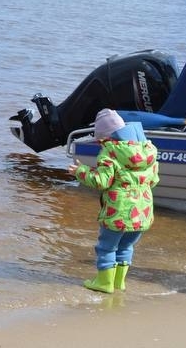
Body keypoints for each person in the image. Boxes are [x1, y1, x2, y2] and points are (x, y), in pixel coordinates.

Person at [68, 108, 159, 293]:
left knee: (106, 247)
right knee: (126, 246)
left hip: (118, 211)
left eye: (100, 141)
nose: (101, 145)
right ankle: (119, 282)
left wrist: (80, 171)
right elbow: (154, 180)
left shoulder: (110, 153)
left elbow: (102, 181)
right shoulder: (147, 151)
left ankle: (104, 283)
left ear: (106, 139)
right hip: (142, 211)